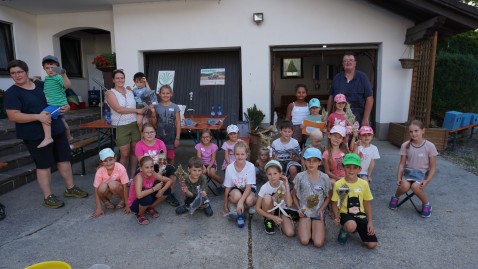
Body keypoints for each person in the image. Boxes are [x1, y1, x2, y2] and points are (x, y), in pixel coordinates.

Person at [4, 59, 88, 208]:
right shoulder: (12, 93)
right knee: (43, 166)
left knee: (64, 160)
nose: (17, 75)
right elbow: (13, 115)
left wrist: (66, 106)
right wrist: (37, 116)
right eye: (13, 73)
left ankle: (70, 188)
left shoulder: (41, 85)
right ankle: (48, 196)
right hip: (34, 135)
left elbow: (59, 95)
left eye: (19, 72)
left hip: (56, 130)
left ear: (26, 72)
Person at [388, 120, 437, 218]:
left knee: (415, 187)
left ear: (423, 131)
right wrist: (399, 178)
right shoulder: (405, 145)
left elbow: (433, 167)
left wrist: (427, 180)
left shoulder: (430, 146)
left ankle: (426, 204)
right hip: (408, 172)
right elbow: (402, 164)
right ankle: (395, 197)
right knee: (404, 186)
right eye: (411, 131)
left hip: (422, 174)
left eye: (416, 131)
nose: (413, 134)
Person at [331, 153, 377, 249]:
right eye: (348, 167)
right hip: (344, 213)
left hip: (360, 214)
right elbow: (335, 203)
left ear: (359, 169)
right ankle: (344, 229)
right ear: (343, 167)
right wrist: (337, 217)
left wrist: (370, 222)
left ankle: (357, 227)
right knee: (351, 226)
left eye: (354, 167)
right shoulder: (339, 184)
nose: (351, 170)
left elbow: (367, 203)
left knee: (372, 245)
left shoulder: (364, 184)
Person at [106, 69, 145, 179]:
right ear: (113, 79)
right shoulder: (110, 93)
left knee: (134, 152)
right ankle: (122, 178)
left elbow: (144, 96)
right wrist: (137, 111)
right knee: (124, 154)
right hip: (120, 126)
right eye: (117, 78)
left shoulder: (130, 91)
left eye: (122, 78)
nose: (120, 80)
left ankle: (132, 177)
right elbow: (118, 109)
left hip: (134, 124)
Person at [134, 123, 180, 207]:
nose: (149, 134)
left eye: (152, 132)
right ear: (142, 134)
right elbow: (142, 162)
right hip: (145, 168)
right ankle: (144, 194)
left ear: (155, 133)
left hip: (159, 166)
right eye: (146, 132)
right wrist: (155, 175)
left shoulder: (160, 143)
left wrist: (159, 173)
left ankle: (170, 193)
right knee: (139, 173)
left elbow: (162, 161)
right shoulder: (139, 145)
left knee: (172, 170)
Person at [293, 148, 330, 248]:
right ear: (304, 161)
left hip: (318, 212)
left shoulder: (325, 177)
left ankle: (318, 225)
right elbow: (294, 196)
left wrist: (322, 209)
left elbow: (327, 197)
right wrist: (299, 208)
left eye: (314, 160)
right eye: (308, 160)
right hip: (305, 212)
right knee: (305, 240)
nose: (311, 163)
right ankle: (304, 225)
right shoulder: (299, 177)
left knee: (318, 243)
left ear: (319, 162)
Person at [328, 51, 374, 127]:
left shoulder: (362, 77)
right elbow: (331, 97)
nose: (348, 62)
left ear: (355, 63)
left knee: (355, 138)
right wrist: (328, 114)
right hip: (338, 117)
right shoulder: (337, 78)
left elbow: (369, 98)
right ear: (343, 64)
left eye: (351, 60)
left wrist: (365, 118)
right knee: (338, 138)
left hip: (358, 116)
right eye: (345, 61)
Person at [37, 55, 73, 148]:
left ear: (58, 68)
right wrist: (35, 79)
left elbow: (67, 85)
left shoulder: (58, 77)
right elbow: (46, 86)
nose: (50, 70)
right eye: (47, 68)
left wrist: (64, 75)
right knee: (63, 121)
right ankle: (69, 137)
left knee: (44, 114)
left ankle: (48, 138)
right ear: (44, 69)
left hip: (57, 104)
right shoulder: (48, 78)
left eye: (53, 67)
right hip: (56, 104)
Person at [128, 156, 172, 225]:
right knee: (147, 198)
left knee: (167, 190)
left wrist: (161, 190)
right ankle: (140, 214)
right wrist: (154, 189)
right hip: (135, 204)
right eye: (147, 167)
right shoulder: (139, 177)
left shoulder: (153, 173)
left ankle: (149, 207)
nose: (150, 169)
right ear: (141, 169)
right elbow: (139, 195)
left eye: (151, 167)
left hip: (147, 195)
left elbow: (169, 180)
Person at [256, 160, 295, 236]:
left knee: (290, 233)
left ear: (280, 174)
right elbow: (257, 208)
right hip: (269, 210)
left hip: (281, 210)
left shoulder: (283, 185)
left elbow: (289, 204)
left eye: (275, 173)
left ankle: (278, 221)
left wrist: (287, 186)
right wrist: (272, 217)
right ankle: (268, 220)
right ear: (266, 175)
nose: (272, 177)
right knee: (267, 197)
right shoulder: (264, 187)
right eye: (269, 174)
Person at [223, 141, 257, 228]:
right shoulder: (229, 168)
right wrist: (225, 205)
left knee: (249, 201)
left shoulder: (251, 166)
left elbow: (249, 187)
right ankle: (236, 206)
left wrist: (240, 202)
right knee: (236, 196)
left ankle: (243, 205)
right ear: (234, 154)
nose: (240, 156)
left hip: (248, 189)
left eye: (242, 154)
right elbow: (227, 188)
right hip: (236, 189)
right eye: (237, 154)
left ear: (247, 155)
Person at [91, 148, 130, 218]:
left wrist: (128, 205)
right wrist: (99, 208)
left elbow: (125, 187)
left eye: (110, 159)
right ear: (101, 162)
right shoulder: (99, 171)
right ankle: (106, 201)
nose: (108, 163)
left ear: (115, 158)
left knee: (112, 184)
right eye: (105, 161)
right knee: (101, 187)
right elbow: (96, 190)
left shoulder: (121, 168)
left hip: (117, 188)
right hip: (107, 189)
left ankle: (123, 200)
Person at [150, 84, 181, 165]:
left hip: (171, 137)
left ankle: (171, 174)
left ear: (171, 94)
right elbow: (154, 124)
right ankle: (161, 175)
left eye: (167, 93)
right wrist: (153, 113)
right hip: (159, 137)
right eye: (163, 93)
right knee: (161, 157)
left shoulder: (175, 107)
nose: (165, 95)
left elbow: (178, 123)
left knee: (171, 157)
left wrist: (177, 138)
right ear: (159, 94)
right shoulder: (156, 107)